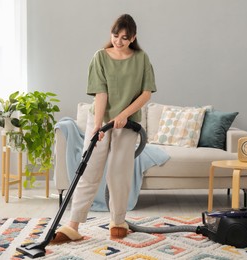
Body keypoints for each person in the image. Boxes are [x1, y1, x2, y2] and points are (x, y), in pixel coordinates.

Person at [52, 14, 157, 243]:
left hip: (127, 123)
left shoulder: (141, 58)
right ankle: (73, 225)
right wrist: (98, 125)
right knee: (89, 171)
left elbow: (146, 92)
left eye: (124, 37)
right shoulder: (100, 57)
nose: (118, 41)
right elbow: (101, 93)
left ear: (133, 38)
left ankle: (118, 221)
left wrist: (123, 115)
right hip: (100, 121)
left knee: (119, 172)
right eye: (115, 35)